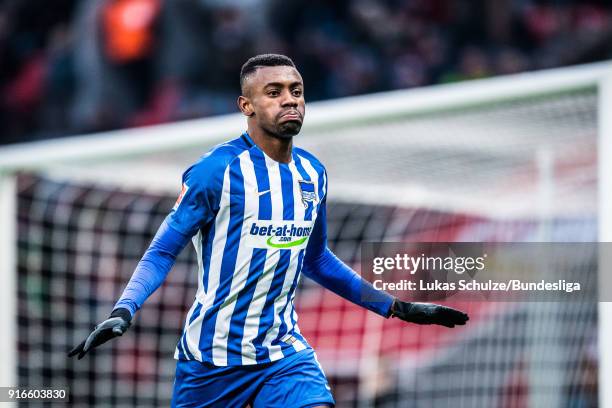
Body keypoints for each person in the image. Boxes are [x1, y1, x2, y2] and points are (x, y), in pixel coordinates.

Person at [68, 54, 469, 408]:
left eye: (296, 90)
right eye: (274, 92)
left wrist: (394, 307)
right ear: (247, 106)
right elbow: (161, 251)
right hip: (212, 358)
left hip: (283, 353)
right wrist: (125, 309)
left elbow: (317, 259)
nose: (290, 99)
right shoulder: (216, 172)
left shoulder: (313, 173)